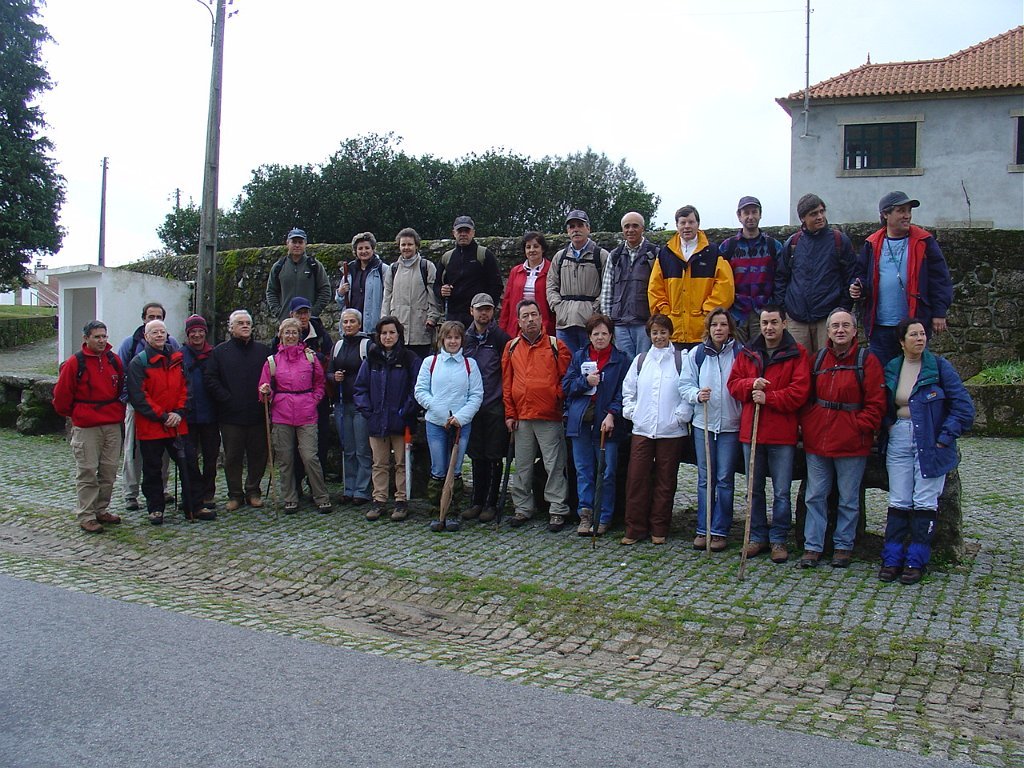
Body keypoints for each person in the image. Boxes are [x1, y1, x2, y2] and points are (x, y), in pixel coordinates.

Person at [879, 318, 973, 585]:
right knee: (898, 499)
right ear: (902, 341)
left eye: (923, 334)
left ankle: (916, 560)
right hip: (899, 437)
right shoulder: (892, 368)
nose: (920, 339)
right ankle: (892, 557)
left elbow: (964, 409)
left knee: (925, 500)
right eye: (914, 334)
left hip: (930, 441)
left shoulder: (940, 368)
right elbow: (883, 404)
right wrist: (886, 424)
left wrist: (944, 437)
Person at [799, 309, 886, 569]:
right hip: (819, 440)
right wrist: (810, 424)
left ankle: (843, 546)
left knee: (848, 498)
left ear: (854, 330)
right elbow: (806, 397)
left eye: (845, 326)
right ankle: (813, 546)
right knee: (815, 495)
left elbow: (876, 403)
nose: (840, 330)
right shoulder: (818, 360)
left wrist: (859, 427)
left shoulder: (866, 361)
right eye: (835, 326)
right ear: (827, 331)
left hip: (851, 442)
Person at [726, 306, 810, 564]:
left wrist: (769, 397)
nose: (769, 328)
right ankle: (757, 536)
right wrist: (750, 384)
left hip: (780, 433)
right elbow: (733, 384)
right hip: (751, 431)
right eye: (765, 323)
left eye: (774, 322)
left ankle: (779, 539)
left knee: (781, 491)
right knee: (754, 490)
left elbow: (799, 392)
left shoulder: (797, 353)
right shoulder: (748, 352)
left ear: (784, 323)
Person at [851, 192, 953, 367]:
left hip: (914, 323)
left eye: (908, 211)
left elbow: (940, 278)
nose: (907, 215)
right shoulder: (872, 243)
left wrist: (939, 312)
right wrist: (857, 287)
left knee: (915, 374)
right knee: (881, 378)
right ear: (885, 214)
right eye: (901, 211)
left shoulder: (924, 241)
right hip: (880, 325)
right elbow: (861, 275)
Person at [127, 319, 212, 525]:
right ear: (146, 337)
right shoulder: (139, 362)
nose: (159, 335)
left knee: (189, 464)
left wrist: (179, 412)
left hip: (177, 424)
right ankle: (155, 508)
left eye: (162, 332)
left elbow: (186, 388)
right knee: (153, 468)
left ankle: (194, 504)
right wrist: (163, 416)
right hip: (152, 425)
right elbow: (139, 396)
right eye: (154, 332)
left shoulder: (177, 359)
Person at [502, 299, 572, 531]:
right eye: (525, 316)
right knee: (522, 466)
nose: (530, 319)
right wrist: (510, 414)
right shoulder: (511, 347)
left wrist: (554, 395)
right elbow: (507, 383)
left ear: (541, 318)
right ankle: (522, 508)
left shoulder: (556, 346)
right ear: (519, 321)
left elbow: (567, 378)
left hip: (549, 416)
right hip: (521, 417)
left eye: (534, 314)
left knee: (554, 465)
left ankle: (557, 509)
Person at [620, 315, 690, 545]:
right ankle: (634, 528)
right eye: (654, 333)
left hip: (671, 432)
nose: (659, 337)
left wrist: (679, 417)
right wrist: (632, 412)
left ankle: (659, 528)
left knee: (665, 480)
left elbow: (687, 391)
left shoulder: (682, 359)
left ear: (670, 333)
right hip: (642, 429)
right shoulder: (641, 360)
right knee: (636, 479)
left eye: (663, 332)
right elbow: (629, 390)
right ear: (649, 335)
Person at [52, 320, 126, 533]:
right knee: (87, 470)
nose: (102, 340)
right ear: (86, 338)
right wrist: (77, 415)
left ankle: (101, 509)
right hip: (87, 425)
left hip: (111, 422)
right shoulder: (75, 363)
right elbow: (62, 396)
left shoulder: (114, 360)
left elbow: (120, 386)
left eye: (104, 336)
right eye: (97, 337)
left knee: (109, 470)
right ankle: (86, 514)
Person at [679, 308, 743, 551]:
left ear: (729, 328)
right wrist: (696, 394)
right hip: (703, 424)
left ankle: (720, 529)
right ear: (708, 328)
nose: (719, 329)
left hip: (729, 425)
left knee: (725, 478)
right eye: (714, 324)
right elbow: (684, 385)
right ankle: (703, 528)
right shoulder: (697, 354)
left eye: (723, 325)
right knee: (706, 478)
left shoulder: (739, 354)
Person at [562, 314, 628, 536]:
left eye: (604, 333)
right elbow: (567, 386)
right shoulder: (580, 357)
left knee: (606, 471)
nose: (600, 337)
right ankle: (586, 513)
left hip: (607, 424)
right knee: (584, 470)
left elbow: (624, 392)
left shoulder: (621, 360)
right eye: (595, 333)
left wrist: (612, 413)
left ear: (611, 335)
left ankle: (604, 515)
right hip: (581, 421)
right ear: (589, 336)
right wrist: (585, 382)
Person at [415, 320, 484, 532]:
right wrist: (441, 412)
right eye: (449, 337)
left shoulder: (469, 365)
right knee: (438, 468)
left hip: (461, 425)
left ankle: (452, 512)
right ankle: (437, 512)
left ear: (462, 340)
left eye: (456, 337)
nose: (452, 341)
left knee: (454, 469)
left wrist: (460, 417)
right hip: (436, 423)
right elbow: (420, 391)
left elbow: (476, 395)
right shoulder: (430, 362)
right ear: (442, 340)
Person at [259, 318, 332, 514]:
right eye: (287, 332)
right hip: (281, 413)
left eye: (294, 332)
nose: (290, 336)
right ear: (280, 335)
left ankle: (321, 495)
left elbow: (319, 382)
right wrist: (266, 391)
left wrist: (313, 399)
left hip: (306, 412)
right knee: (285, 458)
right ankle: (289, 497)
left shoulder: (309, 358)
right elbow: (264, 388)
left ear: (299, 336)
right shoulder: (272, 361)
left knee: (309, 456)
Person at [353, 316, 422, 522]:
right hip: (377, 419)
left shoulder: (410, 359)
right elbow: (360, 388)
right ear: (378, 336)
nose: (388, 336)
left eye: (392, 332)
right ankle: (379, 500)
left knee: (401, 463)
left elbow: (416, 388)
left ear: (398, 334)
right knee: (379, 463)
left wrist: (407, 410)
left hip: (401, 420)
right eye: (384, 333)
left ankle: (401, 501)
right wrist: (368, 411)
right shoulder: (371, 359)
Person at [204, 310, 271, 512]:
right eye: (240, 323)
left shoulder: (263, 351)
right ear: (231, 327)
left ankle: (253, 490)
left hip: (257, 412)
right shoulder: (220, 352)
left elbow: (272, 376)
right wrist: (226, 398)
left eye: (248, 323)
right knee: (232, 457)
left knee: (258, 455)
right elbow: (210, 379)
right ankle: (234, 494)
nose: (245, 326)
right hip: (231, 415)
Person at [775, 194, 856, 356]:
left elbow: (851, 276)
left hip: (827, 318)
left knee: (826, 366)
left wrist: (841, 310)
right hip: (796, 318)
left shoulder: (839, 241)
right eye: (813, 214)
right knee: (798, 367)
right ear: (802, 218)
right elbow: (781, 278)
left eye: (821, 211)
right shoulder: (792, 244)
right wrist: (785, 309)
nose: (820, 217)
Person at [117, 302, 179, 512]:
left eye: (158, 316)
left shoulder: (171, 343)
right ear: (143, 318)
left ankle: (159, 489)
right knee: (133, 451)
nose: (154, 319)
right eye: (150, 316)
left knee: (162, 454)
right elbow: (123, 373)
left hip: (164, 410)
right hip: (137, 406)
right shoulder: (130, 343)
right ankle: (130, 493)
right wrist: (131, 400)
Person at [649, 205, 735, 350]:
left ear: (698, 224)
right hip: (673, 330)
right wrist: (666, 316)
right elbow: (655, 289)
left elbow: (725, 287)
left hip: (703, 330)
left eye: (691, 222)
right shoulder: (665, 254)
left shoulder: (713, 252)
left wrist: (708, 313)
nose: (687, 226)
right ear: (677, 225)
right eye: (683, 223)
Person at [272, 296, 333, 491]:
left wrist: (313, 398)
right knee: (290, 450)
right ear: (292, 315)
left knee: (315, 447)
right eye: (299, 313)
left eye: (306, 312)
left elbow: (327, 366)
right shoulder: (279, 338)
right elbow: (274, 366)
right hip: (286, 405)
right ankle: (294, 486)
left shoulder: (322, 336)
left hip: (314, 401)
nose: (303, 316)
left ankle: (316, 487)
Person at [462, 293, 512, 523]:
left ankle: (491, 503)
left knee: (493, 456)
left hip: (494, 404)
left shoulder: (501, 338)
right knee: (476, 455)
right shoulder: (464, 338)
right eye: (480, 309)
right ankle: (476, 500)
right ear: (472, 310)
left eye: (488, 309)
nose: (484, 313)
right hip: (471, 406)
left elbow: (508, 370)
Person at [718, 196, 782, 343]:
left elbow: (781, 279)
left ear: (760, 214)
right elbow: (719, 280)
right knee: (736, 357)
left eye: (754, 212)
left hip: (764, 313)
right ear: (739, 216)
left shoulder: (773, 246)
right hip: (736, 313)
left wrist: (776, 306)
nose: (750, 217)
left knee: (763, 356)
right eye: (746, 213)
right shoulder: (728, 247)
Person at [546, 210, 609, 355]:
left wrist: (595, 309)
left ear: (588, 228)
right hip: (564, 322)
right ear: (568, 231)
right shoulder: (560, 257)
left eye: (580, 225)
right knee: (566, 365)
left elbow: (608, 287)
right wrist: (557, 306)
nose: (576, 230)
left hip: (590, 323)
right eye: (572, 226)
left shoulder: (601, 255)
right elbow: (551, 284)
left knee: (592, 363)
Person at [328, 308, 372, 505]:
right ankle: (349, 487)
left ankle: (362, 490)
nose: (348, 325)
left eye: (352, 321)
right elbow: (328, 373)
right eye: (345, 322)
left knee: (362, 448)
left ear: (359, 324)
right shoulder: (337, 346)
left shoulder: (367, 346)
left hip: (360, 405)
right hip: (341, 403)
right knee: (348, 449)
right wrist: (333, 377)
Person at [601, 211, 659, 358]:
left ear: (643, 229)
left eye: (635, 226)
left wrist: (656, 322)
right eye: (627, 226)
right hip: (620, 323)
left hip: (644, 322)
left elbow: (660, 289)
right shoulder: (614, 255)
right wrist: (608, 322)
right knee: (626, 367)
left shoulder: (654, 254)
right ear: (622, 230)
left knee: (645, 364)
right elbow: (607, 291)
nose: (630, 230)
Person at [381, 227, 441, 360]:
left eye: (410, 244)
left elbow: (433, 296)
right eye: (403, 245)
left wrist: (432, 317)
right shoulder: (393, 269)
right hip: (398, 327)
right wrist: (384, 321)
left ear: (416, 246)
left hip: (420, 329)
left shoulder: (426, 267)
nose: (406, 248)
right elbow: (387, 296)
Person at [437, 215, 504, 329]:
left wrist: (486, 309)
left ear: (473, 233)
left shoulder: (484, 255)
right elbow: (437, 284)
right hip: (454, 317)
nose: (463, 234)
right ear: (454, 233)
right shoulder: (447, 257)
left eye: (466, 230)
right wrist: (441, 291)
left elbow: (496, 285)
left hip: (478, 318)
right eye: (460, 230)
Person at [181, 314, 219, 509]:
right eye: (193, 331)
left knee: (211, 458)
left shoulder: (215, 354)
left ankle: (208, 493)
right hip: (187, 416)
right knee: (189, 459)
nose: (197, 335)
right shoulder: (179, 355)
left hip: (210, 415)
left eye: (200, 331)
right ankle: (191, 493)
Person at [265, 228, 332, 321]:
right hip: (286, 321)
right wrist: (279, 312)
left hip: (309, 321)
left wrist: (313, 312)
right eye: (294, 242)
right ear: (287, 243)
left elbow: (325, 290)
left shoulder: (314, 265)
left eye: (300, 242)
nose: (297, 245)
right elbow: (271, 291)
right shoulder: (278, 266)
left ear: (305, 244)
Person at [500, 231, 555, 339]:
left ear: (542, 249)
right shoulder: (515, 271)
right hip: (517, 325)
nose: (532, 250)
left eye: (536, 246)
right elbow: (507, 302)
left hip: (543, 325)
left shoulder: (552, 269)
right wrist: (503, 327)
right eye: (528, 247)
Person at [336, 231, 388, 337]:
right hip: (353, 327)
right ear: (355, 251)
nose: (364, 251)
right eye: (360, 248)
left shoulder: (383, 270)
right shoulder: (348, 271)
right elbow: (341, 303)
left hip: (374, 328)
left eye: (367, 248)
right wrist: (340, 293)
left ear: (373, 249)